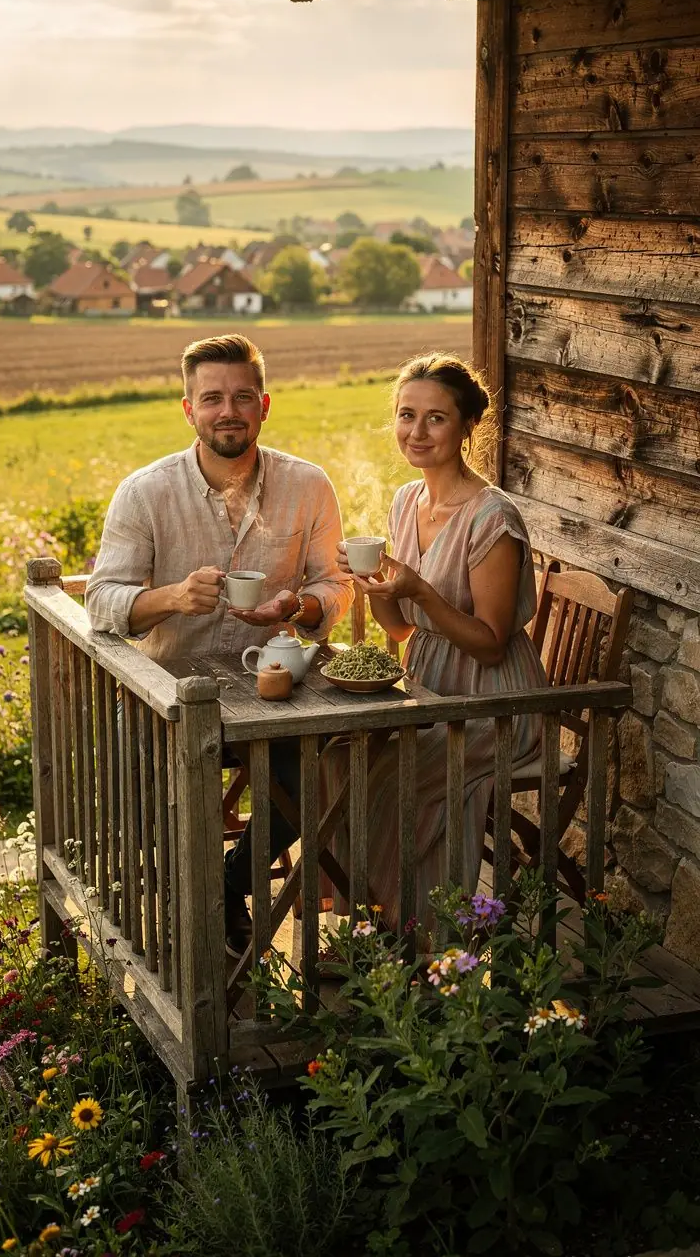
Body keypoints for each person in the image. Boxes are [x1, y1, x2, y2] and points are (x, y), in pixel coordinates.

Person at [85, 332, 353, 955]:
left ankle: (226, 889)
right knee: (144, 790)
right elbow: (102, 602)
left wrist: (297, 605)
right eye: (211, 398)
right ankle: (180, 902)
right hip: (168, 691)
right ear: (188, 410)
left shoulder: (309, 484)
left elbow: (332, 585)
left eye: (241, 396)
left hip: (272, 688)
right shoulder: (145, 491)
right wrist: (173, 597)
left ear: (264, 405)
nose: (227, 410)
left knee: (316, 782)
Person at [325, 351, 548, 927]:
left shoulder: (492, 519)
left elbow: (492, 643)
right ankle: (370, 922)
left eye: (436, 418)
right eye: (406, 415)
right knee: (337, 760)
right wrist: (373, 585)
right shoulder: (406, 501)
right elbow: (399, 630)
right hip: (427, 687)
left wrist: (420, 591)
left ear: (468, 425)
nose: (416, 432)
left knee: (391, 779)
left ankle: (422, 936)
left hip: (493, 700)